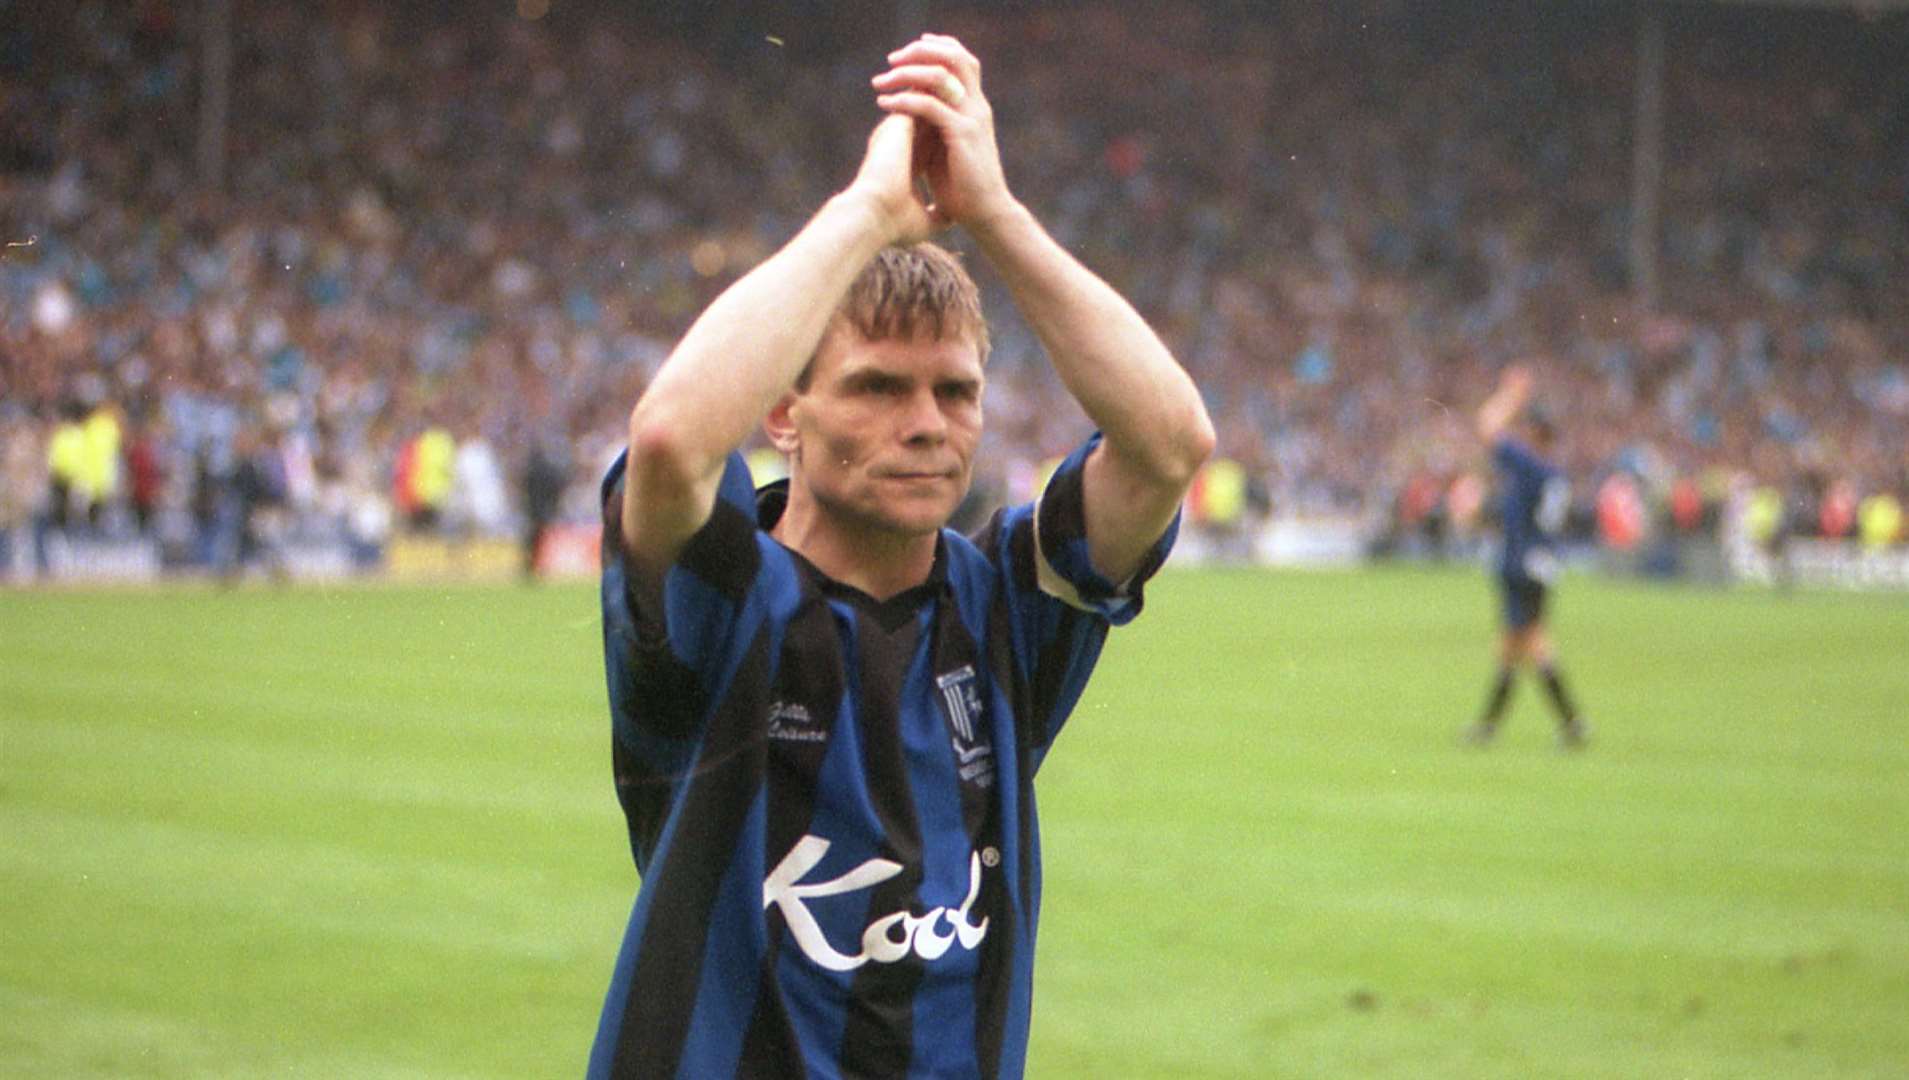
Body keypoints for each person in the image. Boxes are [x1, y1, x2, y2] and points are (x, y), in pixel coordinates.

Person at [589, 33, 1214, 1080]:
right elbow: (668, 442)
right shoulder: (725, 599)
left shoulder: (1007, 606)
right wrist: (870, 212)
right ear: (784, 411)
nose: (926, 425)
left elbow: (1169, 445)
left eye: (954, 392)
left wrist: (997, 217)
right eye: (878, 387)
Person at [1464, 365, 1588, 749]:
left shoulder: (1531, 467)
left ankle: (1571, 723)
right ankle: (1490, 727)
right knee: (1515, 646)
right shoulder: (1554, 474)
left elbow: (1485, 425)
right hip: (1540, 564)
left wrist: (1512, 395)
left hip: (1520, 563)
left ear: (1535, 436)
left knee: (1530, 645)